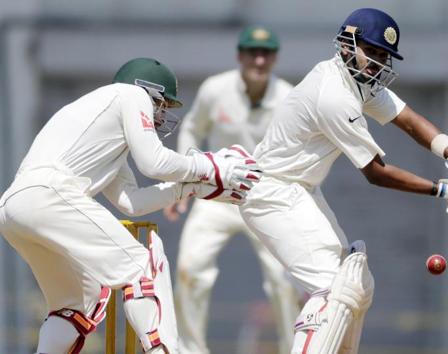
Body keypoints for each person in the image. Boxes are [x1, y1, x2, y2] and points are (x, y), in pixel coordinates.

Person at [238, 8, 448, 354]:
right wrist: (443, 189)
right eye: (371, 51)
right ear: (346, 44)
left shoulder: (359, 81)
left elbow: (408, 120)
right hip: (271, 195)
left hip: (299, 191)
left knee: (357, 286)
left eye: (383, 55)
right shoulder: (333, 95)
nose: (377, 62)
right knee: (332, 290)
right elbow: (376, 173)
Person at [0, 57, 261, 354]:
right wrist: (210, 167)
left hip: (14, 208)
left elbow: (131, 202)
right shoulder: (131, 94)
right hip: (50, 192)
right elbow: (154, 162)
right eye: (162, 104)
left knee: (76, 304)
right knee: (143, 267)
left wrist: (188, 188)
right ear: (148, 90)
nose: (161, 116)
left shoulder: (104, 127)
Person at [162, 26, 301, 354]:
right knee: (190, 269)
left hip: (266, 199)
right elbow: (192, 130)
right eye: (252, 51)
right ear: (239, 55)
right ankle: (190, 351)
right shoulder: (216, 90)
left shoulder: (288, 97)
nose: (259, 58)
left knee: (284, 280)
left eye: (266, 53)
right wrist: (184, 183)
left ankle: (294, 349)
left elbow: (299, 152)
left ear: (275, 57)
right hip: (216, 196)